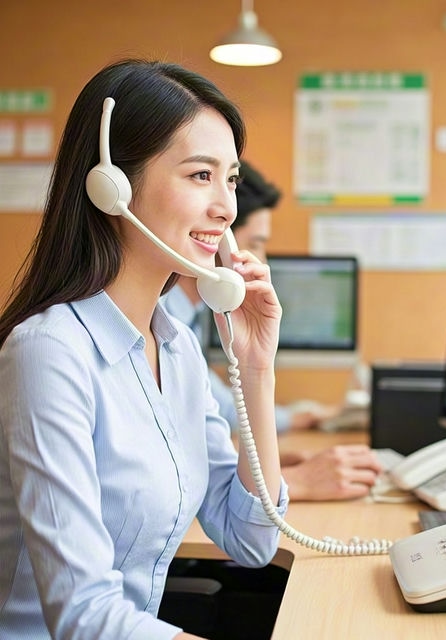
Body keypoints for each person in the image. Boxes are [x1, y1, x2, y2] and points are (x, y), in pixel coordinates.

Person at [0, 58, 288, 640]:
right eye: (200, 175)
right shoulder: (49, 352)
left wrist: (257, 369)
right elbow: (83, 615)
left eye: (230, 179)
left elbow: (251, 538)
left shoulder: (175, 349)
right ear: (114, 187)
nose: (227, 208)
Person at [164, 161, 384, 501]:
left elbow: (212, 419)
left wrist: (264, 462)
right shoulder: (160, 324)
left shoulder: (185, 322)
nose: (262, 259)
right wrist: (295, 480)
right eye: (257, 243)